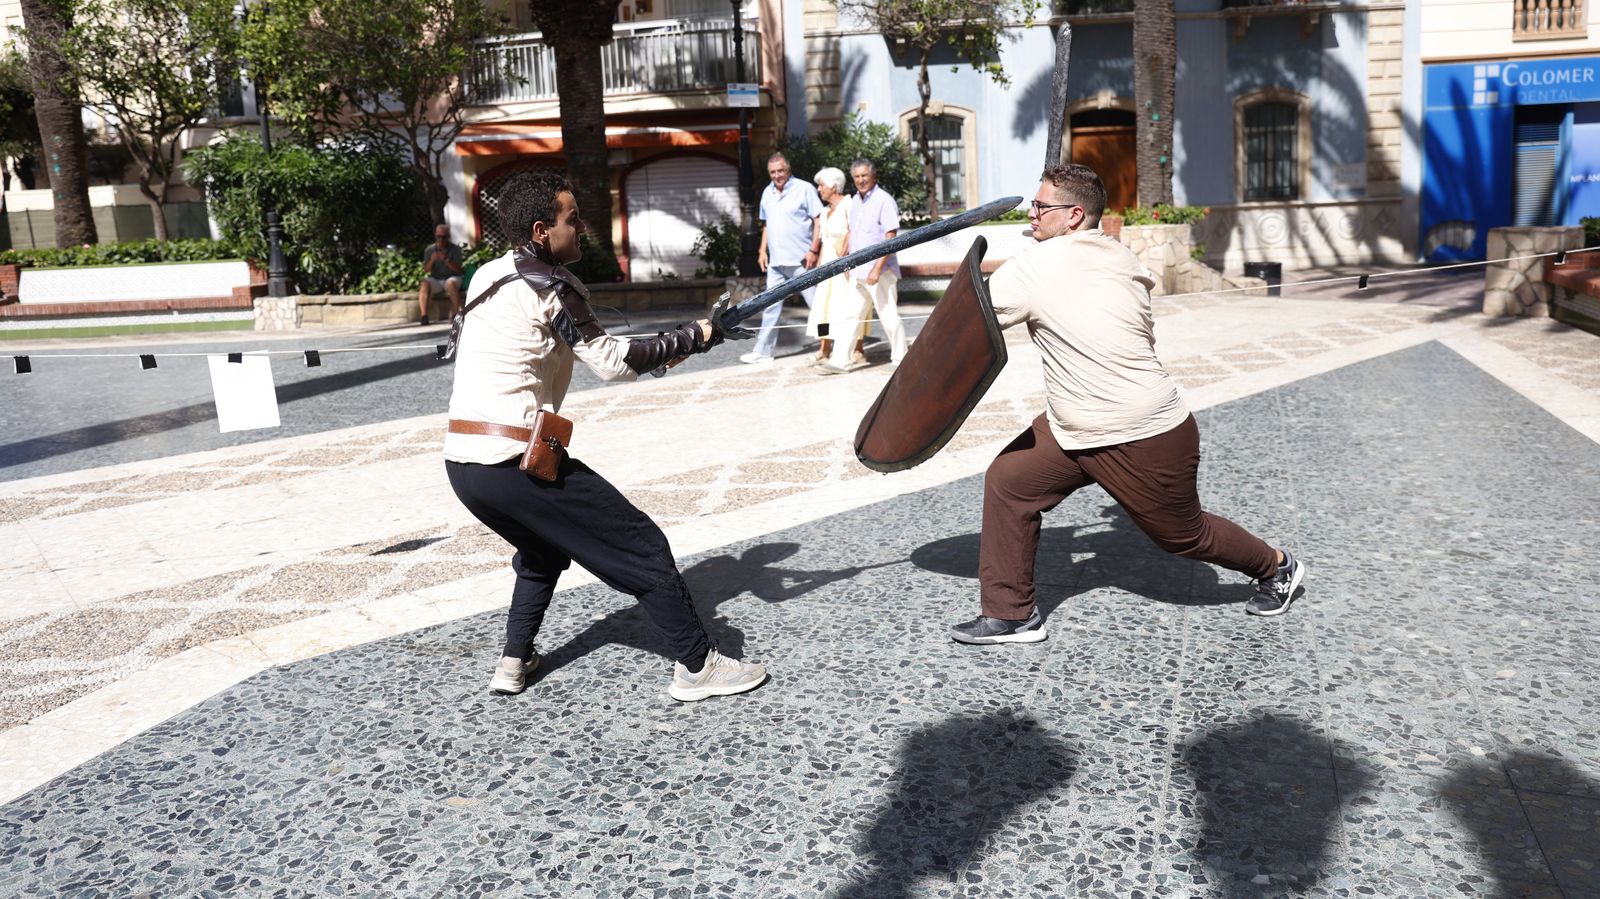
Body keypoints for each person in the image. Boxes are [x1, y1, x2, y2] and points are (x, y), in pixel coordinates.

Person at [443, 169, 767, 701]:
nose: (583, 228)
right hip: (515, 460)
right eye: (573, 219)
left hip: (464, 465)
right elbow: (613, 363)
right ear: (543, 231)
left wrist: (679, 347)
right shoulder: (553, 286)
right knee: (640, 544)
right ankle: (697, 667)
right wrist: (701, 334)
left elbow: (476, 340)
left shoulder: (487, 276)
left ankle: (512, 661)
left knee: (542, 553)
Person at [949, 163, 1305, 645]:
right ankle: (1012, 615)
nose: (1029, 215)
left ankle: (1278, 567)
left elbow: (966, 324)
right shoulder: (1119, 255)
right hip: (1076, 423)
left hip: (1142, 431)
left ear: (1074, 215)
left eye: (1040, 207)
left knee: (1184, 536)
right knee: (1011, 482)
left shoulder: (1036, 268)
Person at [819, 158, 905, 374]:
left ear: (873, 176)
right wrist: (848, 262)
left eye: (864, 175)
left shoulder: (884, 200)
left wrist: (876, 269)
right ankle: (841, 360)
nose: (861, 180)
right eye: (856, 177)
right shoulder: (855, 201)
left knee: (888, 315)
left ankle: (901, 358)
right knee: (850, 316)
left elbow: (891, 237)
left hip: (880, 271)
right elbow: (853, 235)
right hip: (858, 271)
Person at [743, 152, 823, 365]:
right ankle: (763, 352)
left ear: (788, 169)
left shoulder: (805, 189)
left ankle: (830, 345)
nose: (777, 175)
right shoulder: (767, 193)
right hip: (776, 263)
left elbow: (818, 220)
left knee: (817, 304)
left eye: (781, 170)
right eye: (773, 172)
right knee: (770, 306)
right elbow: (767, 225)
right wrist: (762, 251)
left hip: (802, 261)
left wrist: (813, 250)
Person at [804, 166, 867, 367]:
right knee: (823, 309)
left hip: (845, 266)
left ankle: (858, 348)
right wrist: (820, 270)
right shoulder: (824, 213)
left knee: (849, 307)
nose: (819, 189)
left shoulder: (849, 204)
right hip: (828, 266)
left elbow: (853, 231)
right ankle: (824, 347)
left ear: (834, 186)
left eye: (821, 185)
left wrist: (846, 259)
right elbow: (824, 241)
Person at [419, 223, 464, 326]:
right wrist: (432, 260)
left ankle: (456, 314)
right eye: (438, 237)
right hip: (436, 279)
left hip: (453, 277)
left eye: (443, 237)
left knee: (450, 284)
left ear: (448, 237)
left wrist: (446, 260)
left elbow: (458, 269)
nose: (441, 240)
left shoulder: (455, 249)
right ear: (435, 236)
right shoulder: (430, 250)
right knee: (424, 283)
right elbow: (426, 270)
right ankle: (424, 316)